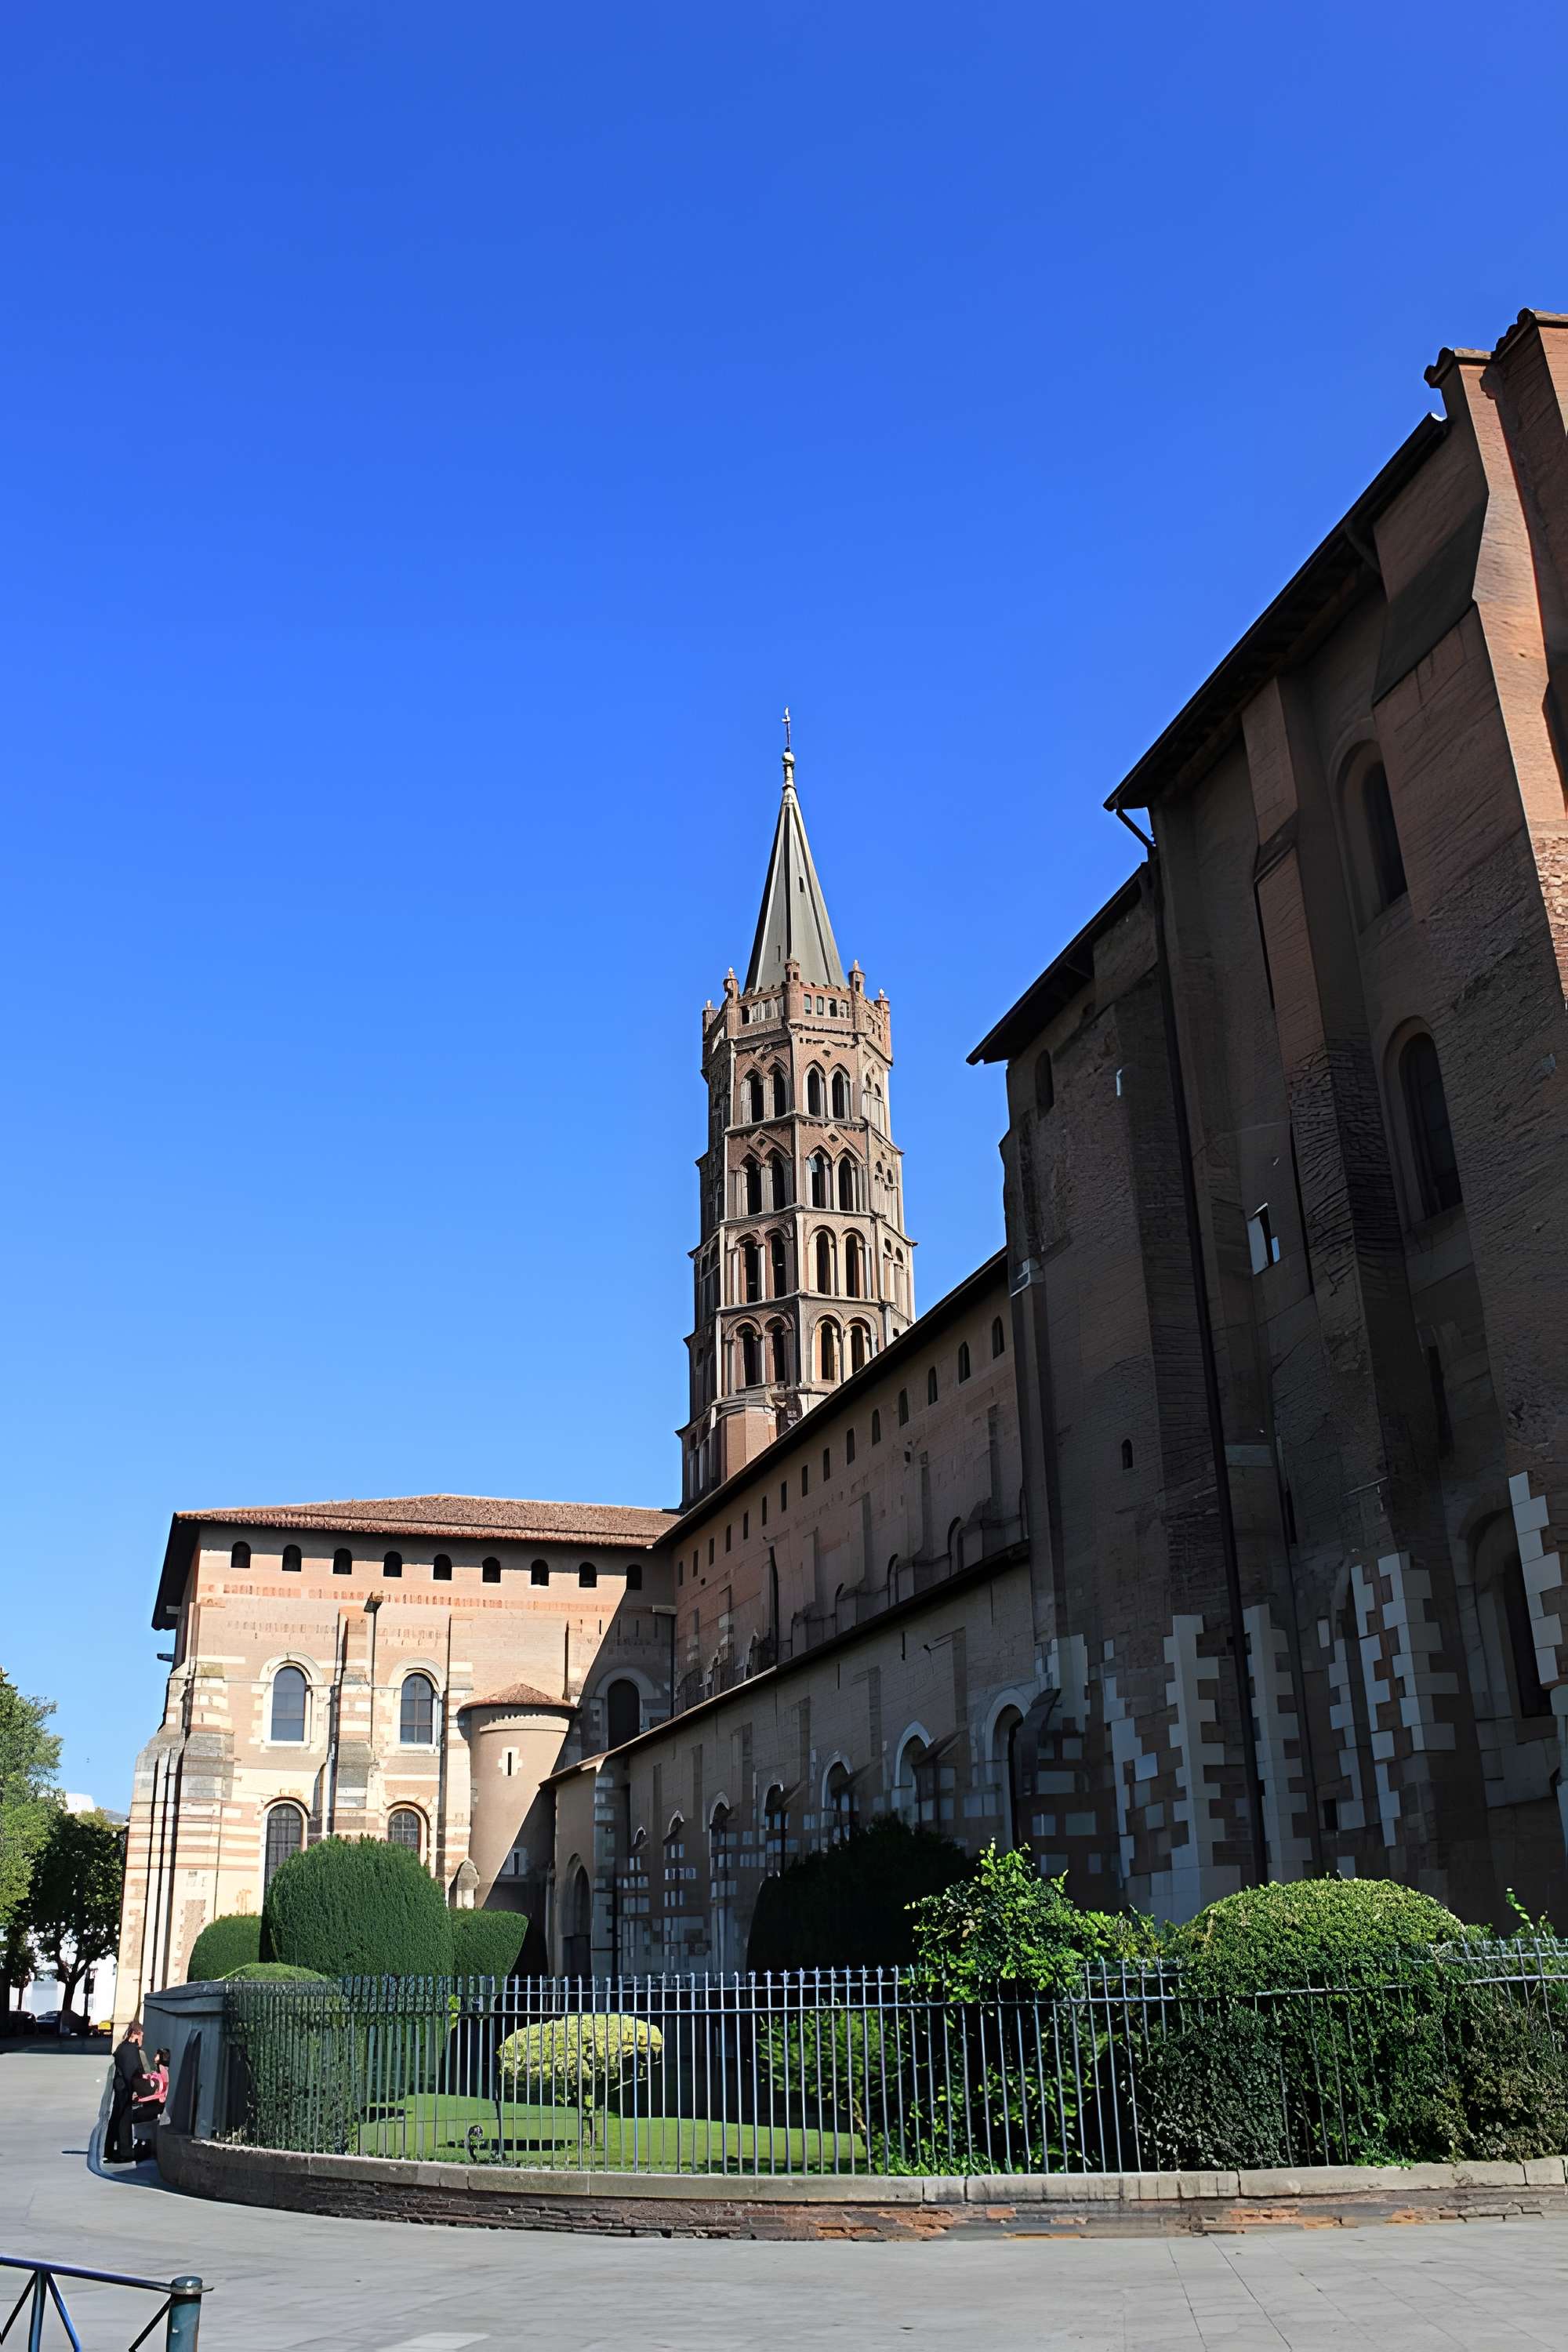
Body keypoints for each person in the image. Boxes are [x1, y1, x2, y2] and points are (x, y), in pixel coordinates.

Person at [105, 2022, 150, 2164]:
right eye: (141, 2035)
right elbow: (133, 2073)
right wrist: (136, 2090)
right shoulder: (130, 2050)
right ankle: (124, 2151)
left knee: (117, 2118)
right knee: (123, 2119)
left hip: (121, 2087)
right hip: (125, 2088)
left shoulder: (123, 2048)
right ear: (135, 2035)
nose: (142, 2039)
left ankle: (112, 2149)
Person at [131, 2048, 169, 2161]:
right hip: (153, 2104)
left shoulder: (163, 2072)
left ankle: (141, 2145)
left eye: (157, 2055)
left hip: (155, 2106)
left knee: (133, 2115)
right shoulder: (159, 2071)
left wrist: (141, 2099)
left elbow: (160, 2093)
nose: (155, 2057)